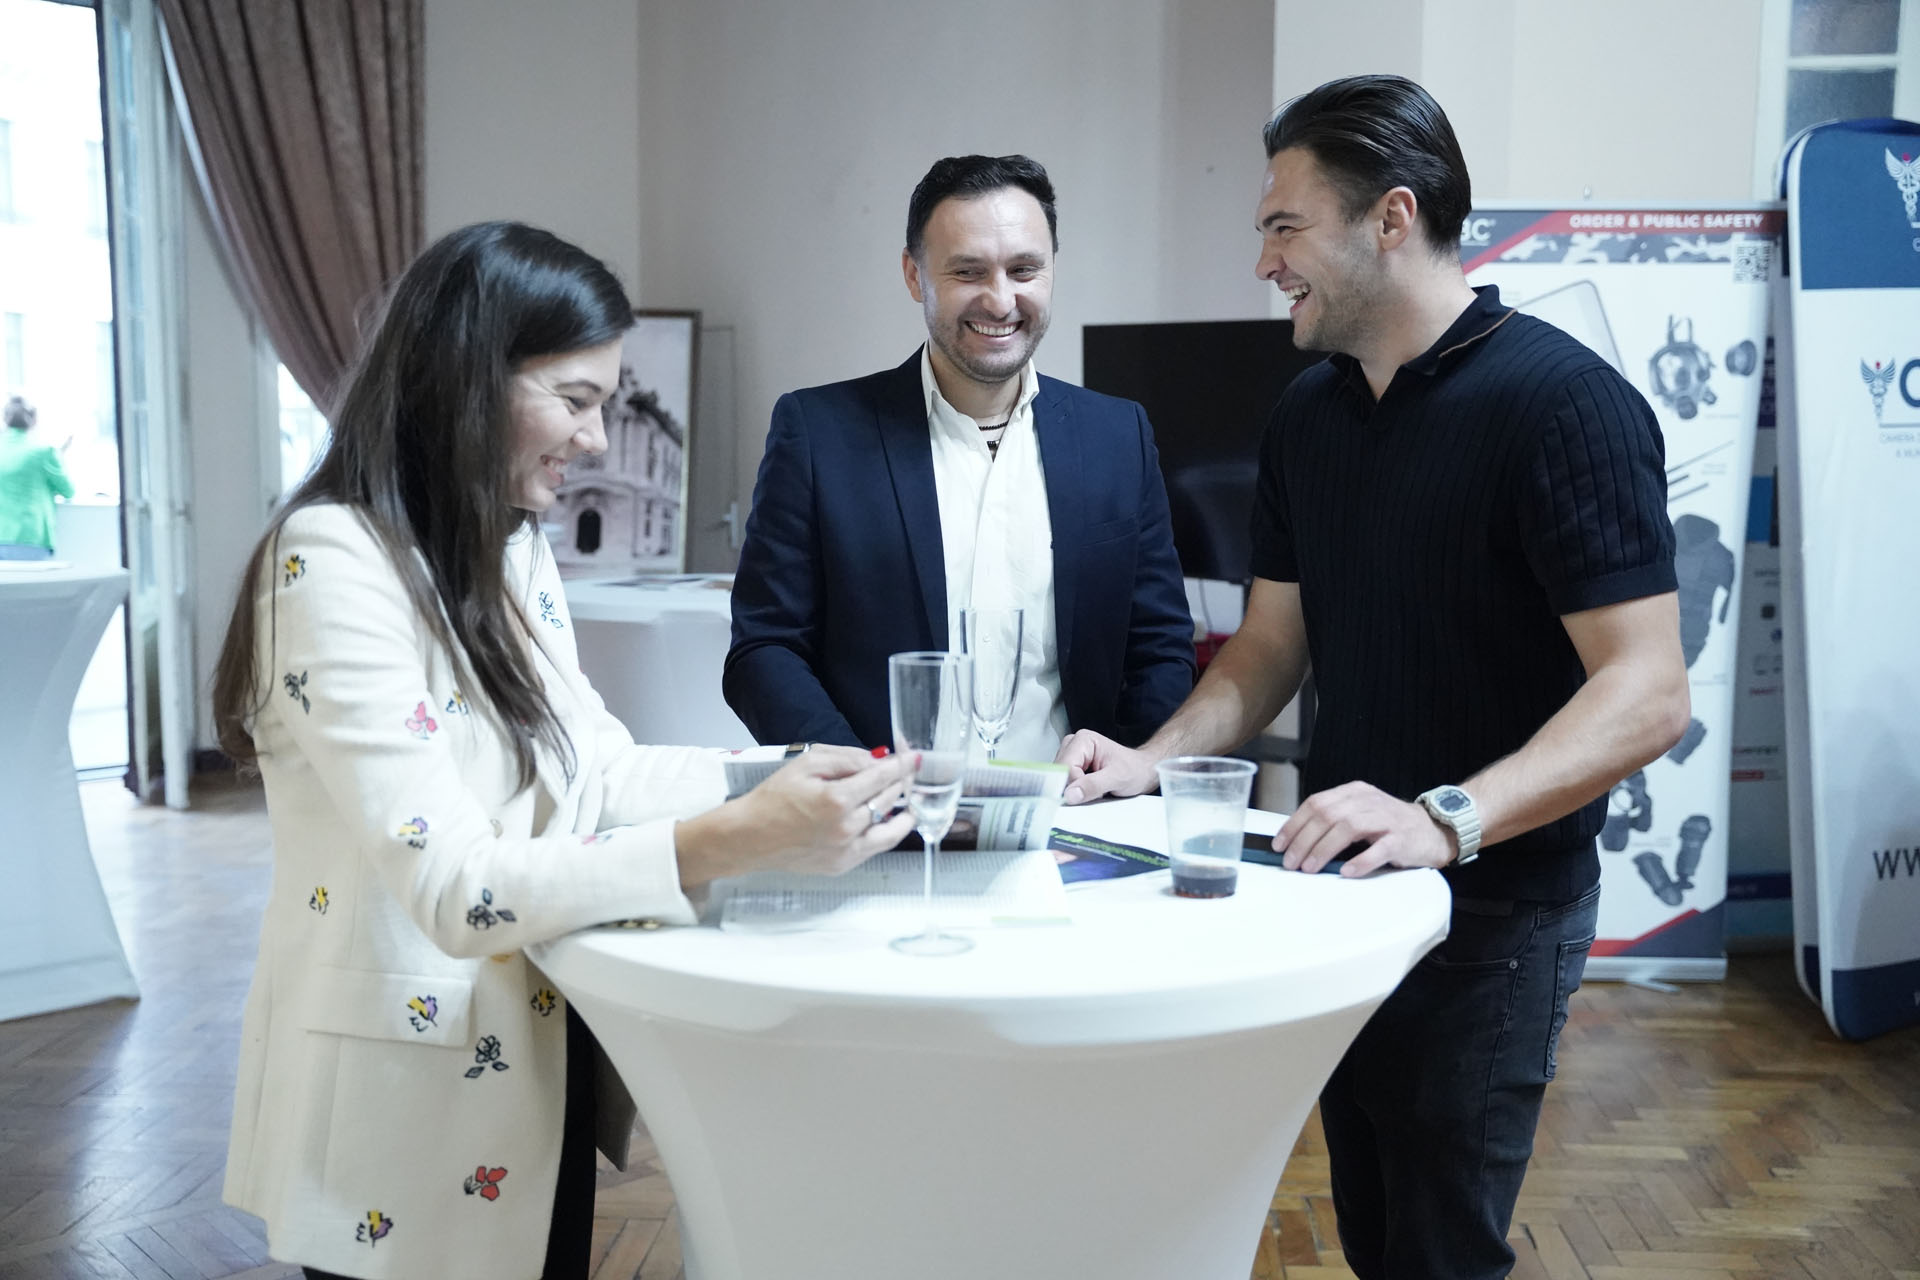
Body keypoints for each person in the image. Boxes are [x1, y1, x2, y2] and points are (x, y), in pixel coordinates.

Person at [1057, 77, 1690, 1280]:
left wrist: (1444, 817)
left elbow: (1649, 690)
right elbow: (1267, 648)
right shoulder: (1309, 413)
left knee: (1442, 1251)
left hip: (1496, 911)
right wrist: (1151, 759)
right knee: (1374, 1233)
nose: (1264, 263)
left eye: (1284, 227)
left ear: (1391, 217)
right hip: (1343, 888)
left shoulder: (1565, 405)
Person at [209, 222, 913, 1280]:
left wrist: (793, 771)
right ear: (468, 376)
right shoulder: (332, 561)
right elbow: (454, 887)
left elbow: (599, 768)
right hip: (401, 1116)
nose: (595, 440)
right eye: (576, 399)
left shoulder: (512, 545)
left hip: (539, 1070)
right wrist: (733, 837)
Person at [725, 154, 1195, 760]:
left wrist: (1124, 767)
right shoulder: (818, 434)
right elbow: (765, 648)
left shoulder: (1117, 435)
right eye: (969, 272)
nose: (1000, 301)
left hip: (1071, 803)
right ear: (915, 275)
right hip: (884, 803)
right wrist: (859, 779)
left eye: (1024, 270)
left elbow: (1159, 644)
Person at [0, 395, 75, 560]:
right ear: (34, 420)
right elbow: (68, 491)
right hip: (30, 538)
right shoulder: (44, 451)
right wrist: (60, 456)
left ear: (5, 418)